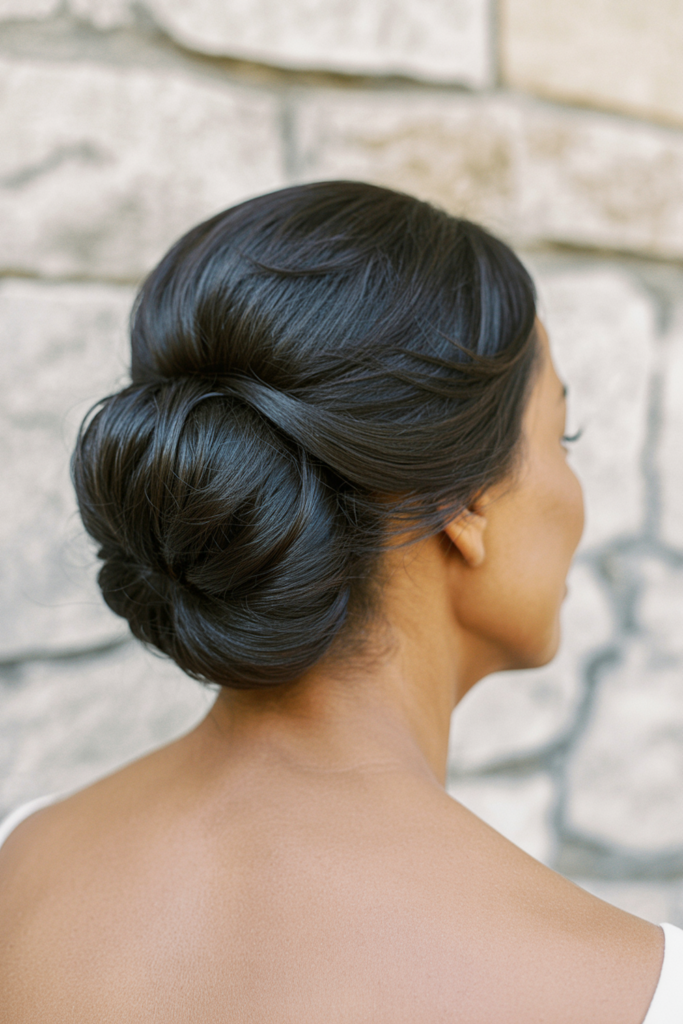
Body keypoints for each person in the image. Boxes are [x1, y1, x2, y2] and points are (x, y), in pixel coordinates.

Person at [0, 181, 680, 1023]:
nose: (576, 494)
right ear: (466, 501)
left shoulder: (21, 861)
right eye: (560, 437)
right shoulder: (632, 990)